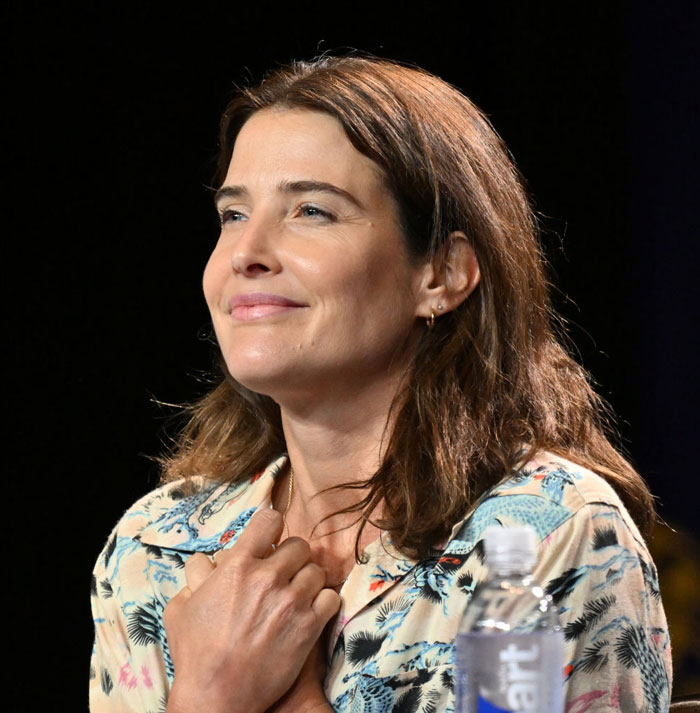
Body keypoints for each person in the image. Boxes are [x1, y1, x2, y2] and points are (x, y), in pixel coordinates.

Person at [89, 56, 672, 713]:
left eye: (311, 210)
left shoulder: (537, 533)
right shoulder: (153, 547)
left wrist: (254, 698)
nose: (245, 252)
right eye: (231, 214)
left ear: (442, 273)